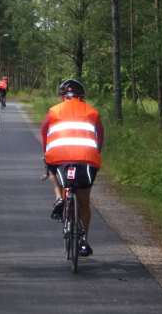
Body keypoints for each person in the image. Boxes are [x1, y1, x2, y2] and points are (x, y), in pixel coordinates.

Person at [40, 79, 104, 257]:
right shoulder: (92, 112)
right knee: (84, 201)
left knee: (52, 168)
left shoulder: (54, 111)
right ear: (82, 97)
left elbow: (44, 133)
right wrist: (95, 155)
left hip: (59, 158)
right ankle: (84, 240)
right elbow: (100, 138)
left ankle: (60, 197)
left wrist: (46, 154)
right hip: (87, 160)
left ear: (62, 96)